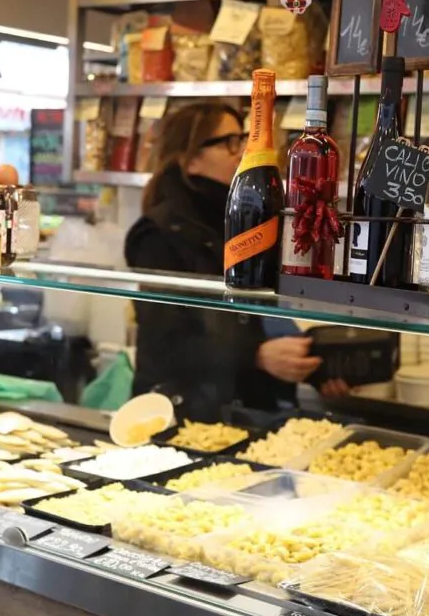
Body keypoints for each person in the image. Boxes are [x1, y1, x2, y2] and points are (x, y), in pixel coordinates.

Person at [124, 102, 323, 420]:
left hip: (244, 407)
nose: (243, 150)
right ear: (190, 161)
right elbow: (165, 345)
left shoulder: (244, 221)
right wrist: (256, 356)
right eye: (229, 142)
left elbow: (256, 316)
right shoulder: (159, 233)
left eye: (243, 138)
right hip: (180, 415)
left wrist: (315, 363)